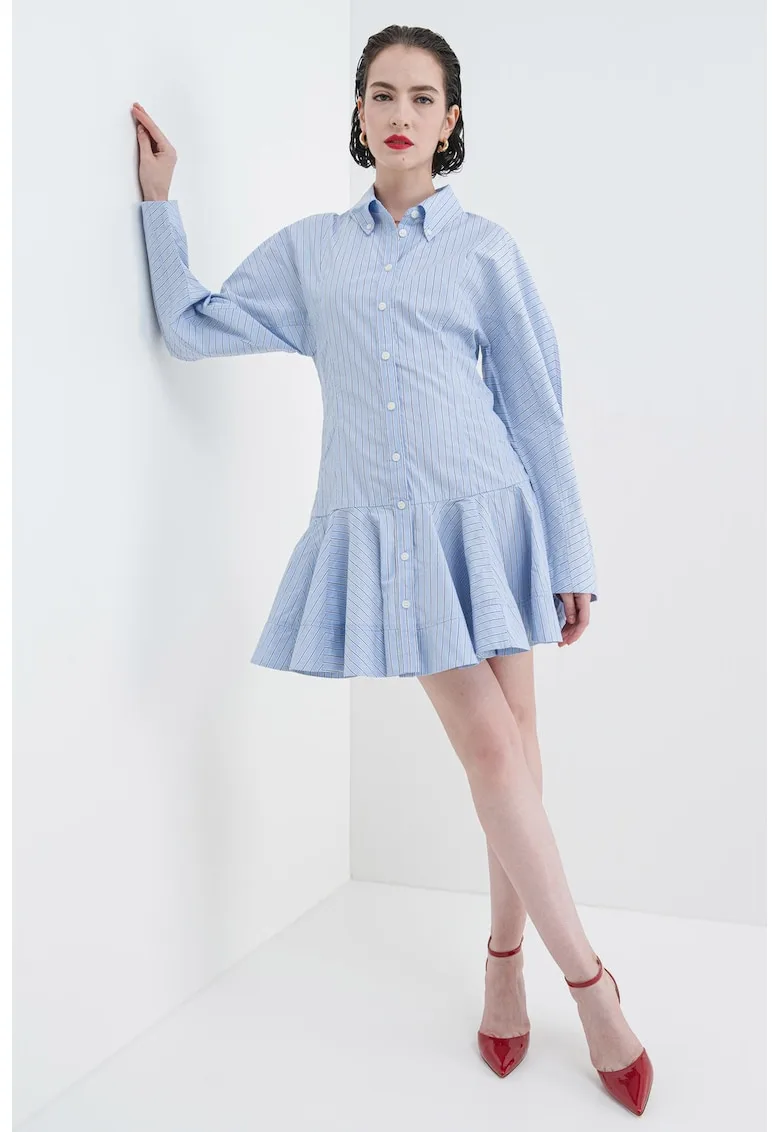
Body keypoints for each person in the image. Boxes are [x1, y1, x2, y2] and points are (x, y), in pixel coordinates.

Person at [132, 23, 653, 1117]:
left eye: (422, 96)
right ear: (359, 113)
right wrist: (161, 204)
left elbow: (537, 409)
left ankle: (503, 963)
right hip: (395, 541)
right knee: (493, 754)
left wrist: (569, 551)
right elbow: (191, 326)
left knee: (518, 757)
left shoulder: (487, 251)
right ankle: (593, 987)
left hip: (496, 519)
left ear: (450, 121)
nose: (401, 112)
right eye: (382, 92)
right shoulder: (312, 252)